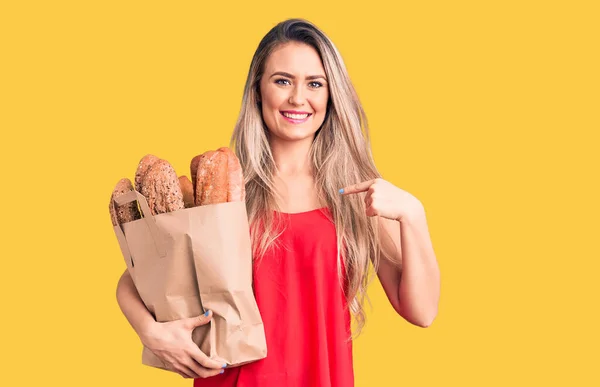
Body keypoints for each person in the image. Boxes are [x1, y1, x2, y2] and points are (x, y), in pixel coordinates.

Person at [116, 18, 440, 386]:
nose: (298, 98)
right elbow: (136, 276)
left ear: (330, 95)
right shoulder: (225, 190)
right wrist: (150, 332)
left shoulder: (356, 195)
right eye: (282, 81)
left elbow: (422, 310)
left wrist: (413, 215)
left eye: (315, 84)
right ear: (258, 89)